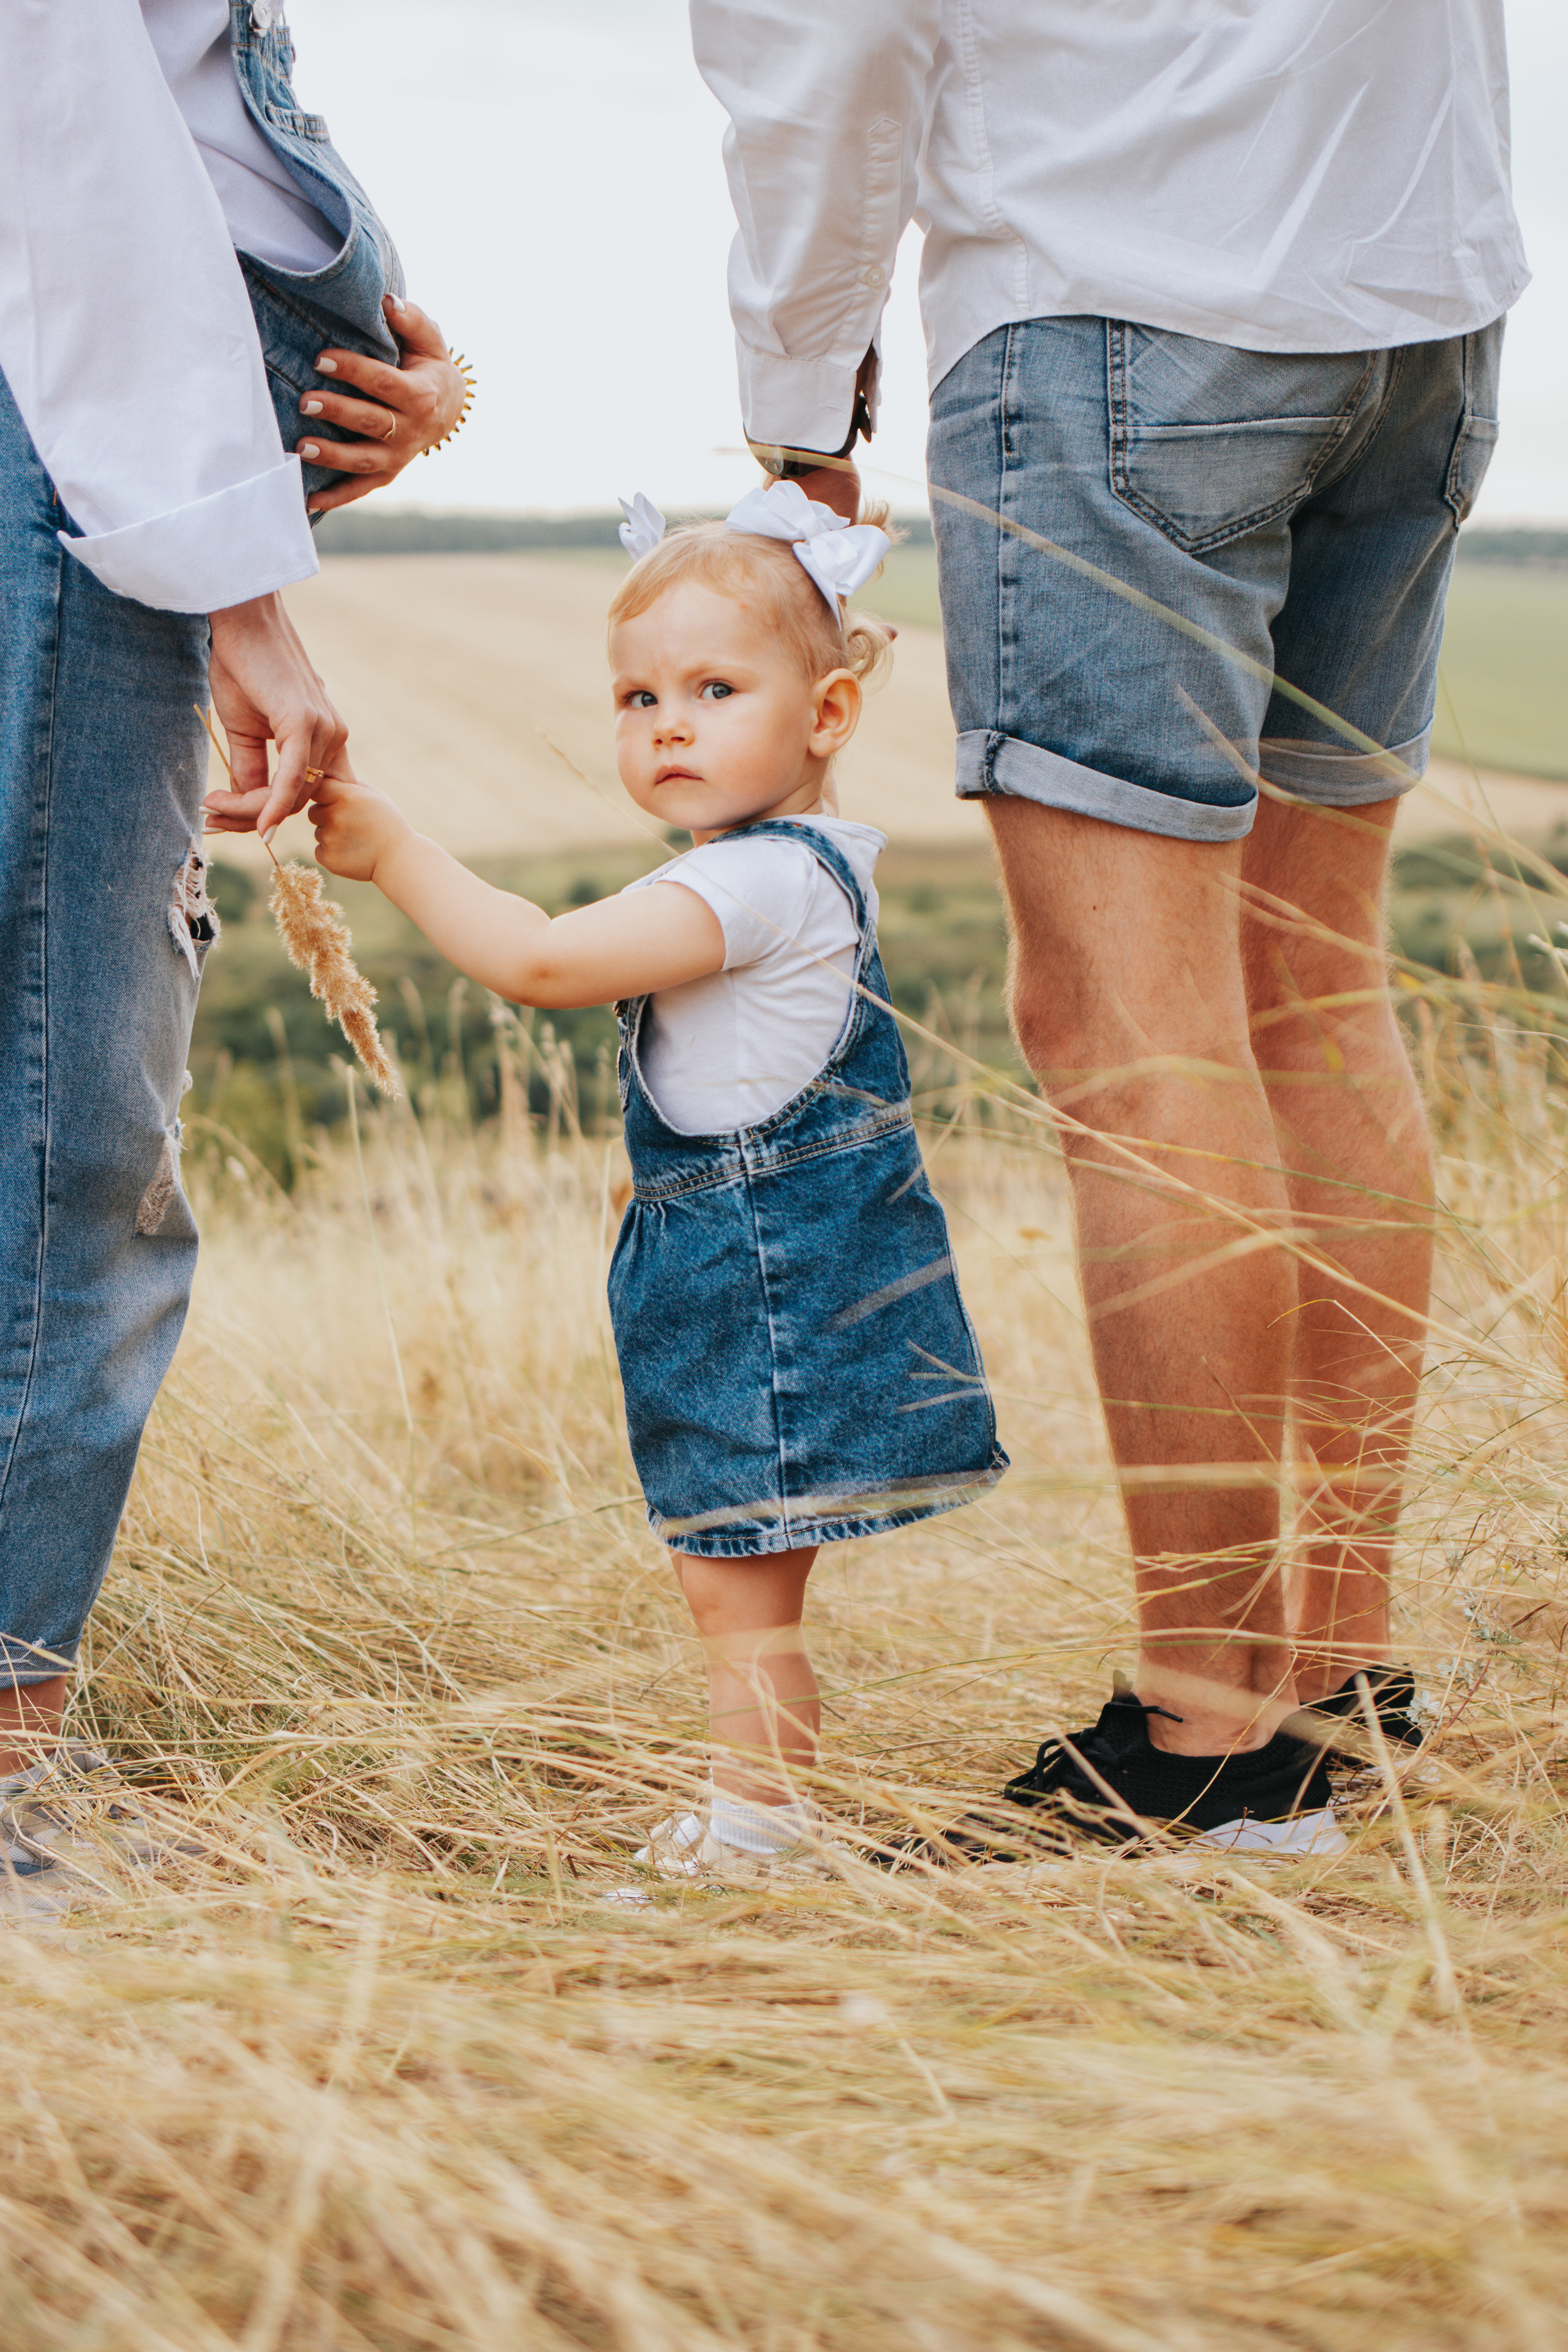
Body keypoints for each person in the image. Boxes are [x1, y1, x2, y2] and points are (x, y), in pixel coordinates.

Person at [690, 1, 1528, 1850]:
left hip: (1120, 301)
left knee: (1142, 1040)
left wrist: (796, 402)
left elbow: (815, 44)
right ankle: (1336, 1667)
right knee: (1314, 991)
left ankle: (1218, 1744)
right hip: (1419, 289)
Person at [304, 484, 1008, 1890]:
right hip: (733, 1291)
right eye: (635, 697)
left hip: (768, 1303)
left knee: (738, 1583)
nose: (665, 723)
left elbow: (544, 965)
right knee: (729, 1572)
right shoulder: (757, 875)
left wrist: (392, 852)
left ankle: (756, 1830)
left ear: (824, 719)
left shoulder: (761, 887)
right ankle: (756, 1813)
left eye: (712, 687)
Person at [0, 0, 467, 1907]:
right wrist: (237, 579)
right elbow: (80, 152)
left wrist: (381, 386)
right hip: (69, 461)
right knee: (66, 1114)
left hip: (86, 452)